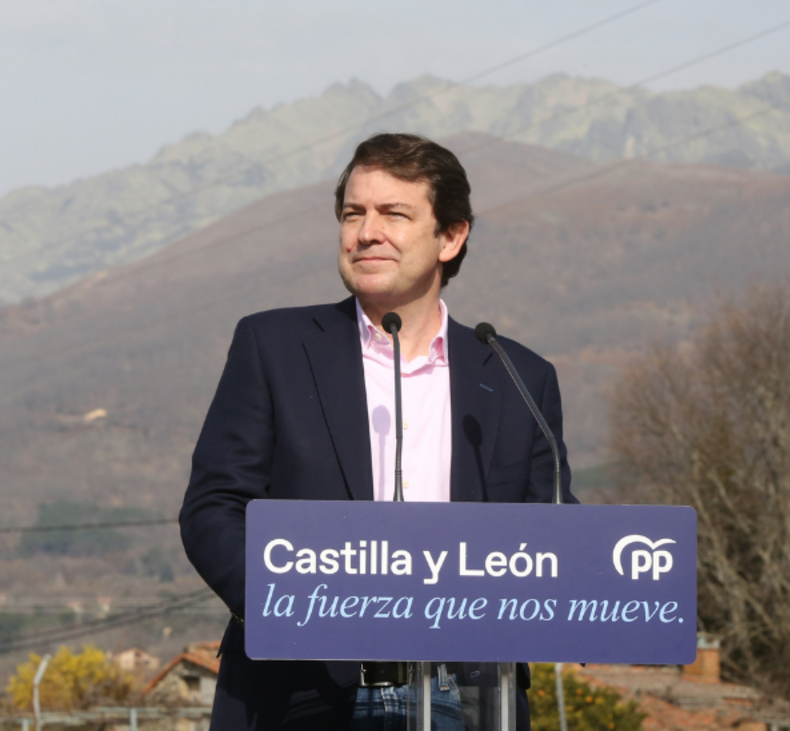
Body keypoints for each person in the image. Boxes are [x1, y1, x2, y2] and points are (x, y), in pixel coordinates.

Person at [179, 133, 574, 729]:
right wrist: (295, 608)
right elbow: (214, 508)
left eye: (394, 214)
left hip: (470, 693)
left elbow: (554, 532)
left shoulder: (520, 377)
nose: (366, 232)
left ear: (451, 236)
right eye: (353, 213)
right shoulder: (274, 348)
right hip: (301, 687)